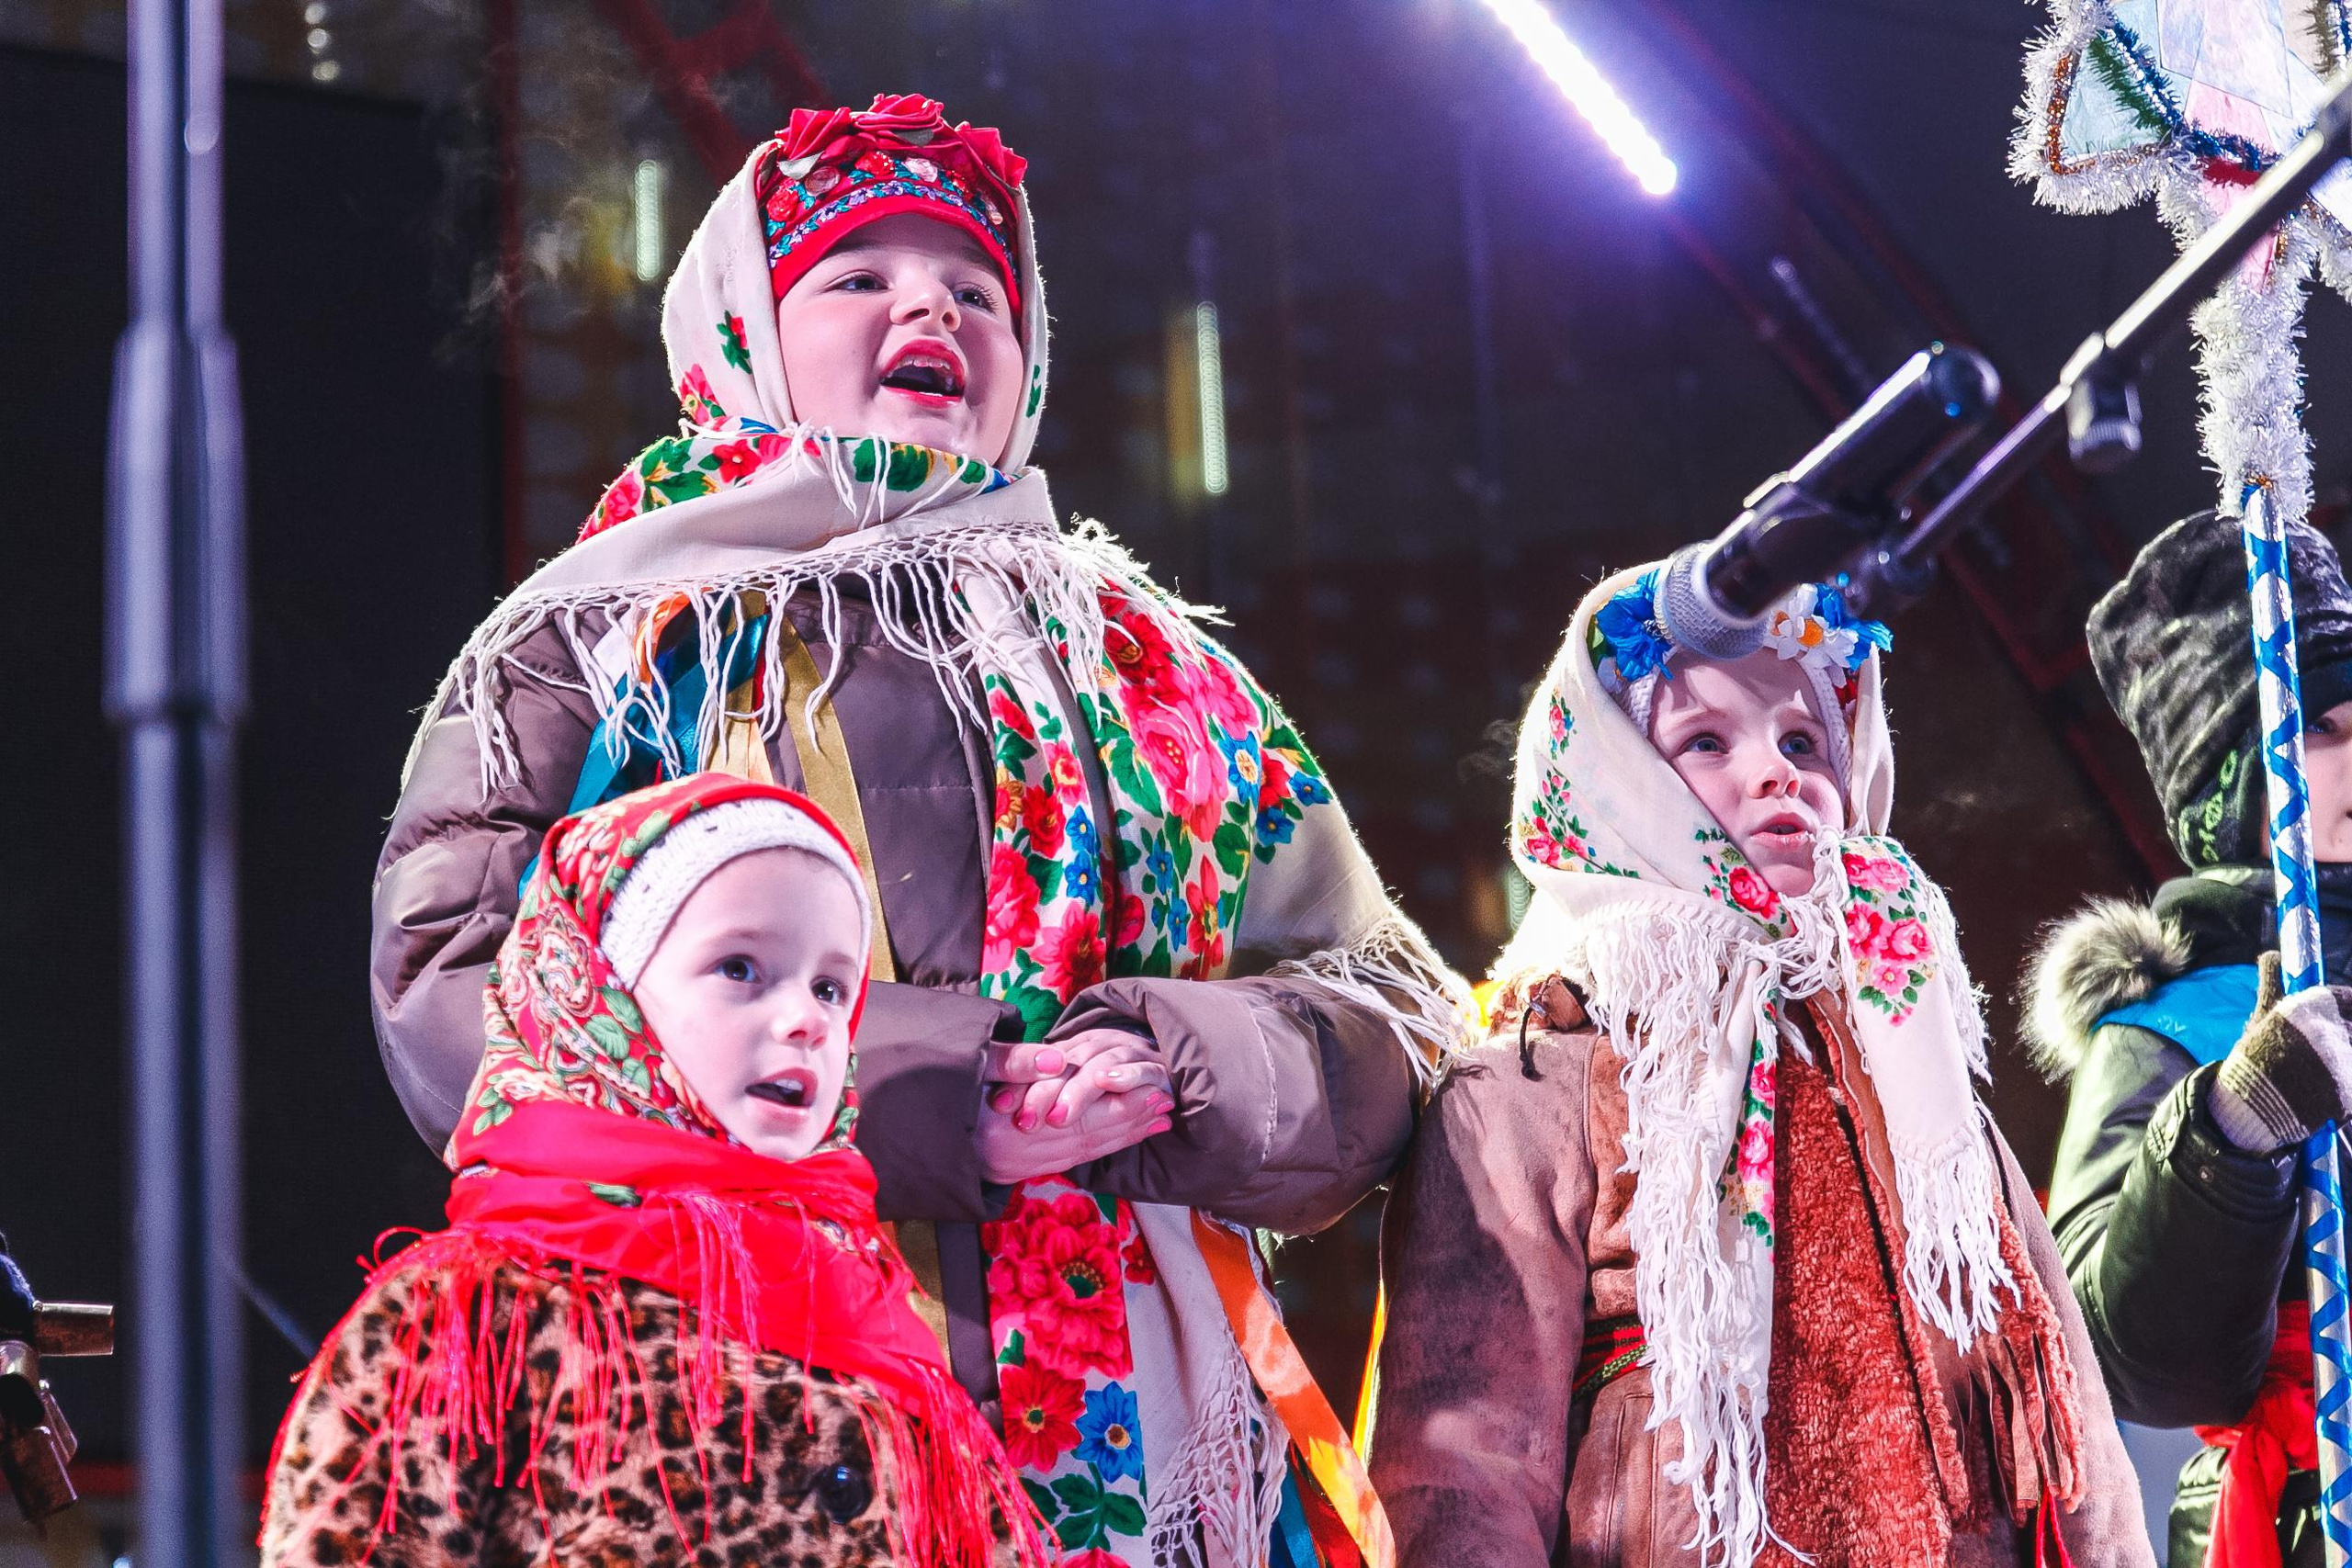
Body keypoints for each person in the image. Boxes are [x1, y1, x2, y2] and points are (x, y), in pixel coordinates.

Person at [371, 94, 1462, 1567]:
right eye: (856, 277)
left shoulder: (1161, 662)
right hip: (745, 1378)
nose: (926, 307)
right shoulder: (603, 642)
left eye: (972, 289)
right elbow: (464, 990)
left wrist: (1177, 1064)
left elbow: (1391, 1003)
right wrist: (933, 1090)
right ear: (746, 326)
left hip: (1150, 1418)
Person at [1368, 566, 2151, 1566]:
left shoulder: (1922, 1082)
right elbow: (1463, 1462)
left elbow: (2066, 1413)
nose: (1776, 773)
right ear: (1613, 789)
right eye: (1705, 742)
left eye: (1802, 743)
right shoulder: (1533, 1080)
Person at [263, 773, 1048, 1565]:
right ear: (601, 994)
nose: (807, 1018)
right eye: (741, 967)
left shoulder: (871, 1314)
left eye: (831, 986)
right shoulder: (466, 1324)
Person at [2028, 509, 2352, 1567]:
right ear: (2235, 789)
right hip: (2310, 1509)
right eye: (2321, 727)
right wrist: (2234, 1127)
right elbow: (2142, 1364)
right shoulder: (2170, 1028)